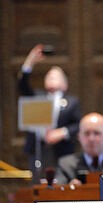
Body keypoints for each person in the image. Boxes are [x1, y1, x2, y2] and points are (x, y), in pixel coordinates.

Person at [18, 44, 81, 174]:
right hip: (39, 149)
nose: (52, 77)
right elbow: (23, 85)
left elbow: (78, 124)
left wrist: (62, 132)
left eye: (56, 76)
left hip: (62, 150)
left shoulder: (72, 102)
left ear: (65, 84)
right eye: (49, 76)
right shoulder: (37, 97)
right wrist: (29, 62)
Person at [55, 112, 103, 186]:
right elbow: (57, 191)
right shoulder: (66, 164)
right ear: (79, 137)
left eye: (97, 133)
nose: (91, 139)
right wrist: (69, 190)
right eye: (87, 133)